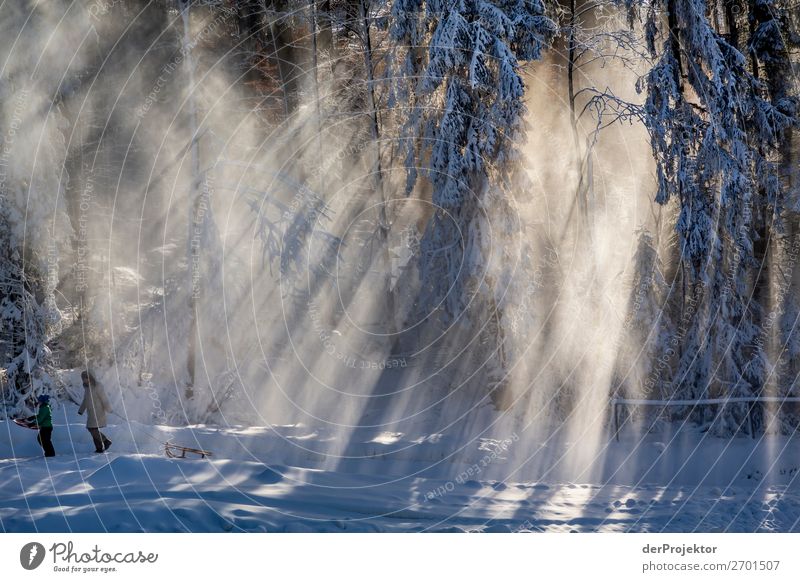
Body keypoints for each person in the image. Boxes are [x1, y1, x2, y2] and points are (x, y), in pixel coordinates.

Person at [77, 370, 113, 453]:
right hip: (91, 412)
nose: (84, 380)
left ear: (90, 377)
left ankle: (106, 441)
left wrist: (108, 408)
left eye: (86, 378)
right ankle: (99, 448)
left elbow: (104, 398)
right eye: (83, 378)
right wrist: (81, 410)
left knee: (92, 429)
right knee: (93, 429)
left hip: (98, 411)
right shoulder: (87, 388)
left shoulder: (98, 386)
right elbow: (85, 400)